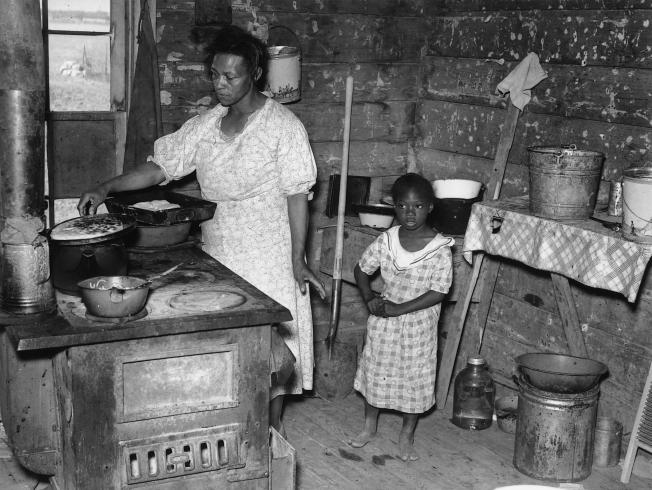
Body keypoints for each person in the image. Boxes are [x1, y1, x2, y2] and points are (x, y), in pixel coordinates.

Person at [77, 25, 326, 434]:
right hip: (220, 251)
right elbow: (161, 168)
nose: (221, 84)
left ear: (257, 74)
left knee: (271, 360)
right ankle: (228, 432)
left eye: (231, 76)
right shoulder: (206, 126)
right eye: (215, 75)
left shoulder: (283, 127)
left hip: (269, 255)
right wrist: (106, 186)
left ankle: (269, 438)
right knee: (226, 353)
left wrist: (297, 260)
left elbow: (297, 196)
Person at [348, 173, 454, 461]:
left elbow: (439, 292)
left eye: (418, 206)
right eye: (403, 206)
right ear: (394, 207)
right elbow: (361, 269)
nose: (410, 213)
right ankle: (369, 426)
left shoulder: (439, 249)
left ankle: (406, 435)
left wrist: (399, 309)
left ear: (430, 207)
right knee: (376, 371)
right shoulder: (387, 240)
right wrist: (369, 296)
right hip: (384, 322)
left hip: (418, 325)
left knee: (414, 378)